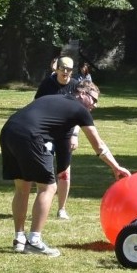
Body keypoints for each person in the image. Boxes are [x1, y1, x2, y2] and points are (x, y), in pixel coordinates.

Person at [1, 81, 130, 257]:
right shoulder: (79, 110)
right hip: (31, 135)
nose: (95, 105)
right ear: (82, 94)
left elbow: (60, 136)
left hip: (9, 131)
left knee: (22, 188)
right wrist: (116, 167)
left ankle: (19, 239)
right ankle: (34, 241)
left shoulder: (55, 99)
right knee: (48, 187)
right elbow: (98, 145)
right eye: (93, 99)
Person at [34, 56, 80, 220]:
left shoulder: (75, 86)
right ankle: (42, 202)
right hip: (47, 134)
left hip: (66, 135)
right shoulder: (47, 84)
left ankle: (61, 209)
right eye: (63, 69)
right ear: (57, 68)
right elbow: (37, 107)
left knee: (64, 172)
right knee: (45, 169)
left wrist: (74, 135)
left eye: (69, 69)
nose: (66, 72)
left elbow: (78, 114)